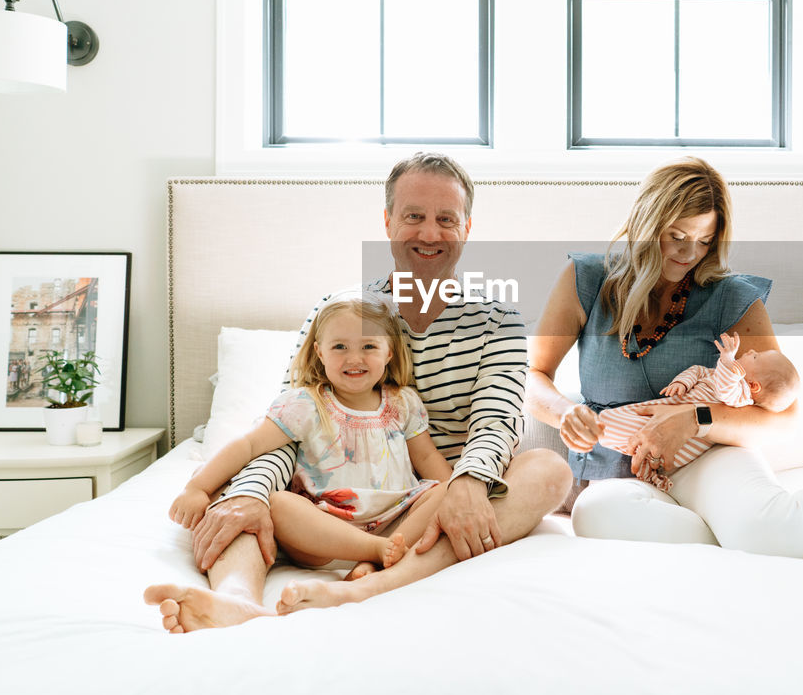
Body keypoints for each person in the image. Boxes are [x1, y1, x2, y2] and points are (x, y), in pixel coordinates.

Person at [145, 153, 572, 631]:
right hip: (326, 504)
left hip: (430, 505)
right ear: (387, 222)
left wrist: (466, 484)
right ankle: (236, 600)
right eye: (413, 216)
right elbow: (286, 424)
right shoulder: (339, 312)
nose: (429, 233)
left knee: (549, 471)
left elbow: (494, 425)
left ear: (466, 227)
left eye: (445, 219)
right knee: (239, 484)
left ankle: (368, 585)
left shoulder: (498, 321)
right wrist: (250, 493)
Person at [526, 157, 803, 558]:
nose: (688, 254)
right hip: (619, 466)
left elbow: (783, 416)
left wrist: (696, 418)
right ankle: (731, 536)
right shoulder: (586, 279)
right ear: (645, 223)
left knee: (765, 527)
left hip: (708, 453)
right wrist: (566, 411)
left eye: (704, 241)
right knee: (594, 517)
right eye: (676, 236)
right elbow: (533, 376)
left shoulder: (730, 297)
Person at [167, 293, 452, 590]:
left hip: (396, 520)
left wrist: (453, 493)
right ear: (319, 352)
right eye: (340, 347)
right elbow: (249, 445)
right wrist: (197, 488)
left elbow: (428, 459)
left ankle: (375, 556)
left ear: (389, 353)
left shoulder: (403, 402)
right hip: (325, 533)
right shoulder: (305, 404)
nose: (354, 358)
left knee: (447, 489)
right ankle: (374, 553)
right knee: (278, 504)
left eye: (369, 346)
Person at [595, 332, 795, 491]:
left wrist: (727, 359)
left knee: (624, 429)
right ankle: (602, 427)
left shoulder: (741, 396)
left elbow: (725, 390)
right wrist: (683, 382)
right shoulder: (718, 374)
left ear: (753, 386)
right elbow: (698, 371)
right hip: (671, 407)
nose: (750, 350)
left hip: (686, 443)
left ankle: (598, 428)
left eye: (755, 357)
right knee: (628, 418)